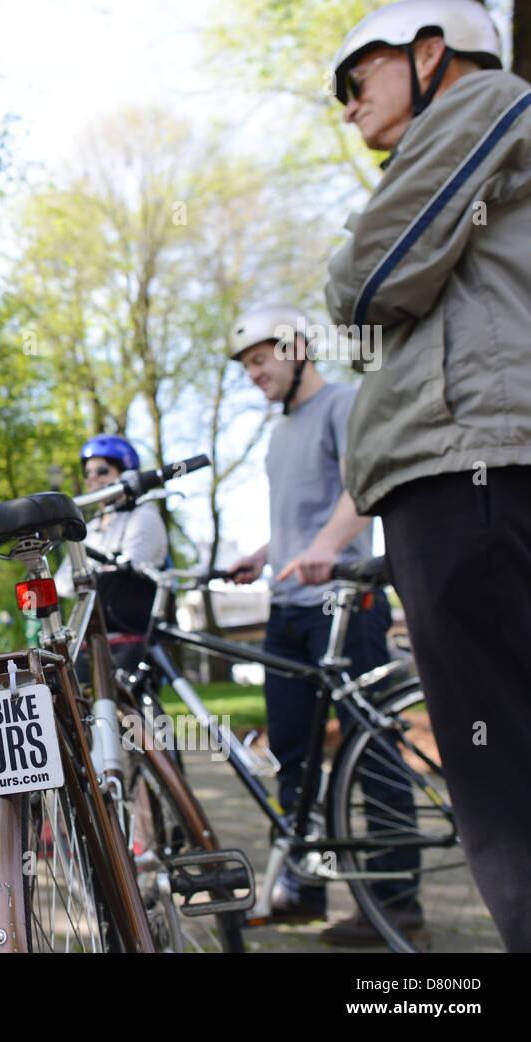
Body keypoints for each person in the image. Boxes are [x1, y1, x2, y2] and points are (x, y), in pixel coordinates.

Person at [313, 0, 531, 951]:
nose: (348, 106)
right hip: (474, 468)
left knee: (504, 791)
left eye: (356, 78)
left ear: (431, 52)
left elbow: (361, 285)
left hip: (472, 474)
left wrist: (349, 262)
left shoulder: (479, 106)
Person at [225, 305, 414, 943]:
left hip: (346, 609)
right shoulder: (280, 433)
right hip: (288, 613)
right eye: (246, 365)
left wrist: (330, 547)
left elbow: (363, 487)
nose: (254, 373)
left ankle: (398, 904)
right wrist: (264, 553)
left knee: (375, 755)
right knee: (294, 757)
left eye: (261, 359)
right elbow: (298, 524)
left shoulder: (343, 405)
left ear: (298, 348)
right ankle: (304, 888)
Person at [55, 434, 168, 674]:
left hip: (129, 638)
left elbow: (134, 562)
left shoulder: (144, 515)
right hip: (89, 639)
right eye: (88, 473)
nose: (92, 478)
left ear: (126, 473)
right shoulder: (89, 528)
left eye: (102, 470)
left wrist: (89, 575)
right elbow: (62, 583)